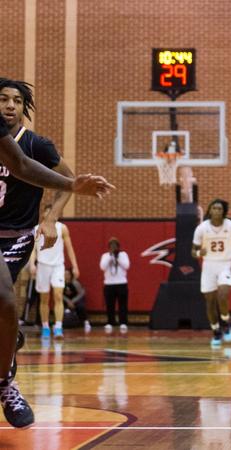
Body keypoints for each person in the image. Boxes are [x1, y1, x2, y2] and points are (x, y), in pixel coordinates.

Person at [0, 82, 114, 428]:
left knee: (4, 299)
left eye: (17, 101)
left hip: (15, 236)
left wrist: (51, 218)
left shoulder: (36, 144)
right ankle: (8, 343)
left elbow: (64, 177)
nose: (9, 105)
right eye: (3, 99)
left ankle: (5, 382)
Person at [192, 199, 231, 347]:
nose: (217, 211)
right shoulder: (201, 228)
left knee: (223, 294)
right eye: (214, 208)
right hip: (209, 265)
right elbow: (193, 251)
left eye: (220, 208)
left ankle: (225, 322)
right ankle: (216, 331)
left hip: (226, 264)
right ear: (210, 210)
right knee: (210, 302)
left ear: (223, 211)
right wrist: (200, 252)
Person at [29, 204, 80, 339]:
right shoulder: (36, 229)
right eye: (47, 212)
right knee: (44, 298)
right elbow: (33, 249)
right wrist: (32, 264)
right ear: (44, 214)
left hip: (58, 265)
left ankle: (58, 327)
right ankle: (45, 327)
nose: (49, 214)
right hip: (42, 266)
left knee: (58, 295)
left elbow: (69, 248)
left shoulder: (62, 228)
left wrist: (75, 266)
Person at [100, 237, 130, 334]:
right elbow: (102, 267)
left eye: (115, 246)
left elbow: (127, 266)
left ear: (118, 246)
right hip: (109, 284)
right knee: (110, 304)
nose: (114, 247)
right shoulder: (105, 255)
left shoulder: (123, 254)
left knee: (122, 304)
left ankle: (123, 322)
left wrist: (117, 257)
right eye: (111, 246)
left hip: (121, 283)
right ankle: (110, 322)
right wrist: (110, 255)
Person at [62, 268, 90, 332]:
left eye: (68, 274)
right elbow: (60, 295)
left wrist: (73, 301)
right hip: (66, 301)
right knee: (59, 306)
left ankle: (86, 322)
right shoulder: (61, 283)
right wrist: (68, 301)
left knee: (81, 306)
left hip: (76, 300)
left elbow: (81, 293)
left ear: (71, 275)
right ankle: (59, 323)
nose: (66, 276)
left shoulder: (75, 283)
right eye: (64, 274)